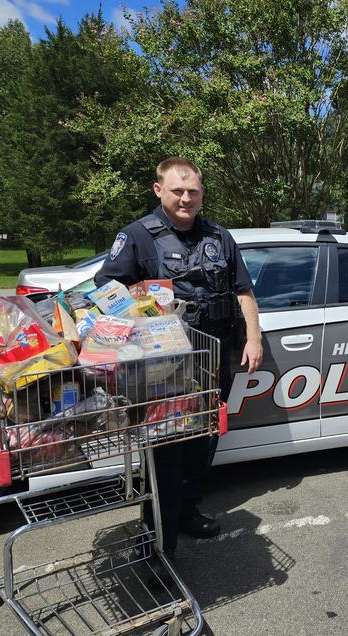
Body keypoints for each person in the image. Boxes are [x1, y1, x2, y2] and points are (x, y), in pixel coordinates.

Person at [95, 157, 262, 561]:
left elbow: (243, 292)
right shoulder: (137, 235)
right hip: (162, 369)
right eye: (177, 191)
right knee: (165, 451)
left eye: (193, 192)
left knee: (203, 441)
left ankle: (188, 510)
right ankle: (156, 533)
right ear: (159, 191)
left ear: (202, 193)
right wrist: (143, 313)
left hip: (213, 359)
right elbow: (106, 291)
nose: (186, 198)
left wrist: (254, 338)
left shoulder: (220, 237)